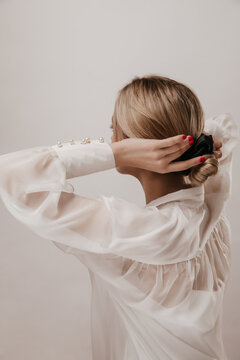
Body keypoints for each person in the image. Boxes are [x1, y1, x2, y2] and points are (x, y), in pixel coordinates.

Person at [0, 75, 239, 360]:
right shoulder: (211, 212)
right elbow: (226, 127)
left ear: (136, 145)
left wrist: (113, 154)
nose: (110, 138)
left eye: (115, 131)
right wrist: (187, 141)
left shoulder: (137, 233)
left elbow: (11, 177)